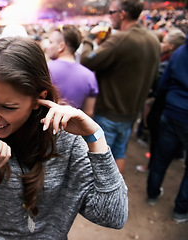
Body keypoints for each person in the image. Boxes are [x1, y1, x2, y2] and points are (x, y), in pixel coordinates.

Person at [0, 37, 128, 239]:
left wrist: (95, 136)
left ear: (39, 99)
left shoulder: (65, 136)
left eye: (7, 106)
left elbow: (113, 216)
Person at [80, 0, 161, 173]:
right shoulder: (153, 40)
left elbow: (87, 60)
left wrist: (89, 38)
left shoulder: (121, 38)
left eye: (111, 12)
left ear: (122, 14)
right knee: (119, 153)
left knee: (100, 159)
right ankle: (116, 194)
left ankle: (103, 198)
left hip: (109, 112)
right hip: (131, 113)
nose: (109, 17)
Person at [146, 35, 188, 224]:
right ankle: (180, 210)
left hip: (171, 112)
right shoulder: (180, 51)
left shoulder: (180, 52)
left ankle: (152, 193)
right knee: (162, 158)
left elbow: (163, 83)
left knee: (161, 159)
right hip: (174, 113)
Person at [136, 28, 186, 173]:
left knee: (160, 152)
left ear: (171, 46)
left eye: (164, 42)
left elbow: (159, 85)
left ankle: (152, 180)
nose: (161, 44)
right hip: (176, 110)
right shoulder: (173, 58)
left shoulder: (169, 61)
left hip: (166, 109)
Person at [46, 24, 98, 117]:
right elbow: (89, 113)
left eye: (50, 42)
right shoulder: (89, 76)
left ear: (61, 46)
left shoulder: (44, 69)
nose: (47, 47)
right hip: (75, 130)